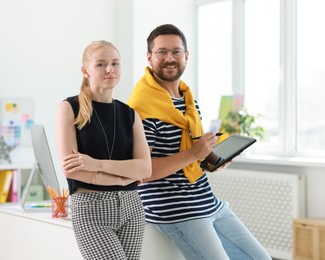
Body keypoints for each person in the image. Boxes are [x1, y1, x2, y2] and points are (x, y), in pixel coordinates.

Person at [128, 24, 271, 260]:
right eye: (162, 52)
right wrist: (194, 154)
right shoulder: (141, 109)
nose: (169, 58)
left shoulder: (188, 101)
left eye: (176, 52)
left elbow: (190, 159)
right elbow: (141, 173)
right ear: (149, 57)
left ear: (186, 56)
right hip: (176, 211)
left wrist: (211, 160)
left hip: (208, 202)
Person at [56, 40, 152, 260]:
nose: (110, 70)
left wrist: (96, 165)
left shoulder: (130, 114)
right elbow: (73, 170)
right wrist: (122, 178)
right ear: (85, 70)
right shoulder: (69, 109)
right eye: (101, 64)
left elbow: (145, 169)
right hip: (91, 209)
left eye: (115, 64)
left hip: (132, 208)